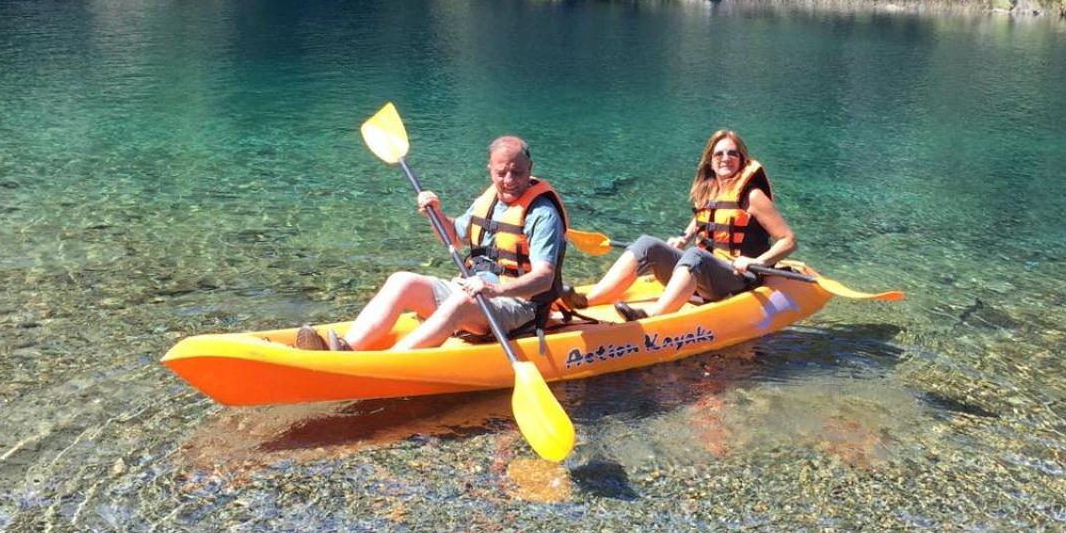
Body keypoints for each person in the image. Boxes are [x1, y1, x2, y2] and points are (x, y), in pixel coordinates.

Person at [296, 135, 568, 352]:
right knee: (402, 280)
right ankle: (347, 349)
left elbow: (544, 279)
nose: (509, 181)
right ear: (490, 170)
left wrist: (492, 290)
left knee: (461, 301)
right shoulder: (489, 200)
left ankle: (390, 365)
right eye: (502, 173)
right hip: (474, 292)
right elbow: (453, 236)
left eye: (517, 173)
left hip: (518, 306)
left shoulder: (542, 214)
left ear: (529, 169)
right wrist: (435, 212)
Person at [573, 129, 796, 320]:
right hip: (705, 273)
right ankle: (588, 300)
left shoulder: (753, 196)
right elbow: (703, 218)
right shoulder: (710, 191)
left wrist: (757, 261)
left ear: (742, 159)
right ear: (711, 160)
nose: (725, 158)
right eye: (719, 153)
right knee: (646, 243)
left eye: (732, 153)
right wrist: (684, 236)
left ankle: (653, 317)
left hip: (736, 278)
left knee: (694, 256)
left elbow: (789, 240)